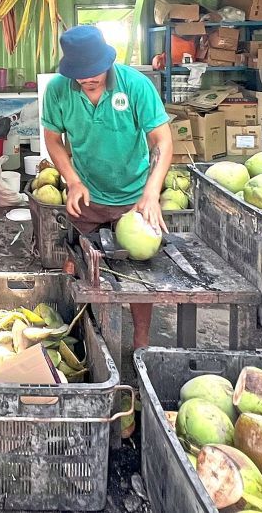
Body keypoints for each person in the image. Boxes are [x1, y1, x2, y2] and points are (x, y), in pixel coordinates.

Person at [41, 24, 173, 348]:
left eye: (95, 72)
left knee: (140, 277)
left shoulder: (136, 85)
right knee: (86, 268)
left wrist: (151, 193)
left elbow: (163, 140)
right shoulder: (58, 90)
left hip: (134, 197)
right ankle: (91, 338)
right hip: (88, 198)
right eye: (81, 75)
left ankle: (141, 338)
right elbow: (53, 140)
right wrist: (72, 181)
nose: (89, 79)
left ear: (107, 61)